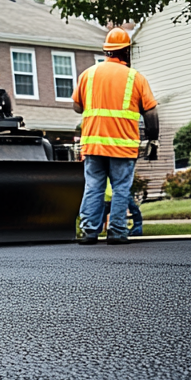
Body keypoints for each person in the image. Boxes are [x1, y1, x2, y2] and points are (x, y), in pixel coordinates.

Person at [73, 28, 159, 244]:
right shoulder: (135, 77)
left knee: (93, 186)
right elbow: (150, 111)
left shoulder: (88, 75)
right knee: (121, 188)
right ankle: (117, 232)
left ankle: (89, 232)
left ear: (107, 51)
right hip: (123, 144)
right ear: (126, 51)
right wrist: (153, 139)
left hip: (93, 144)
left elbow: (77, 106)